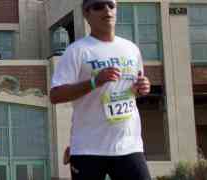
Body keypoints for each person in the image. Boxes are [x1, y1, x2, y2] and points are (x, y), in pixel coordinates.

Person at [49, 0, 152, 179]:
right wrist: (94, 82)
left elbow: (132, 90)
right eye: (98, 6)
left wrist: (142, 88)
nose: (106, 10)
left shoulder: (131, 49)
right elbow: (55, 95)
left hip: (129, 146)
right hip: (89, 149)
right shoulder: (77, 51)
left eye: (111, 5)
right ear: (86, 14)